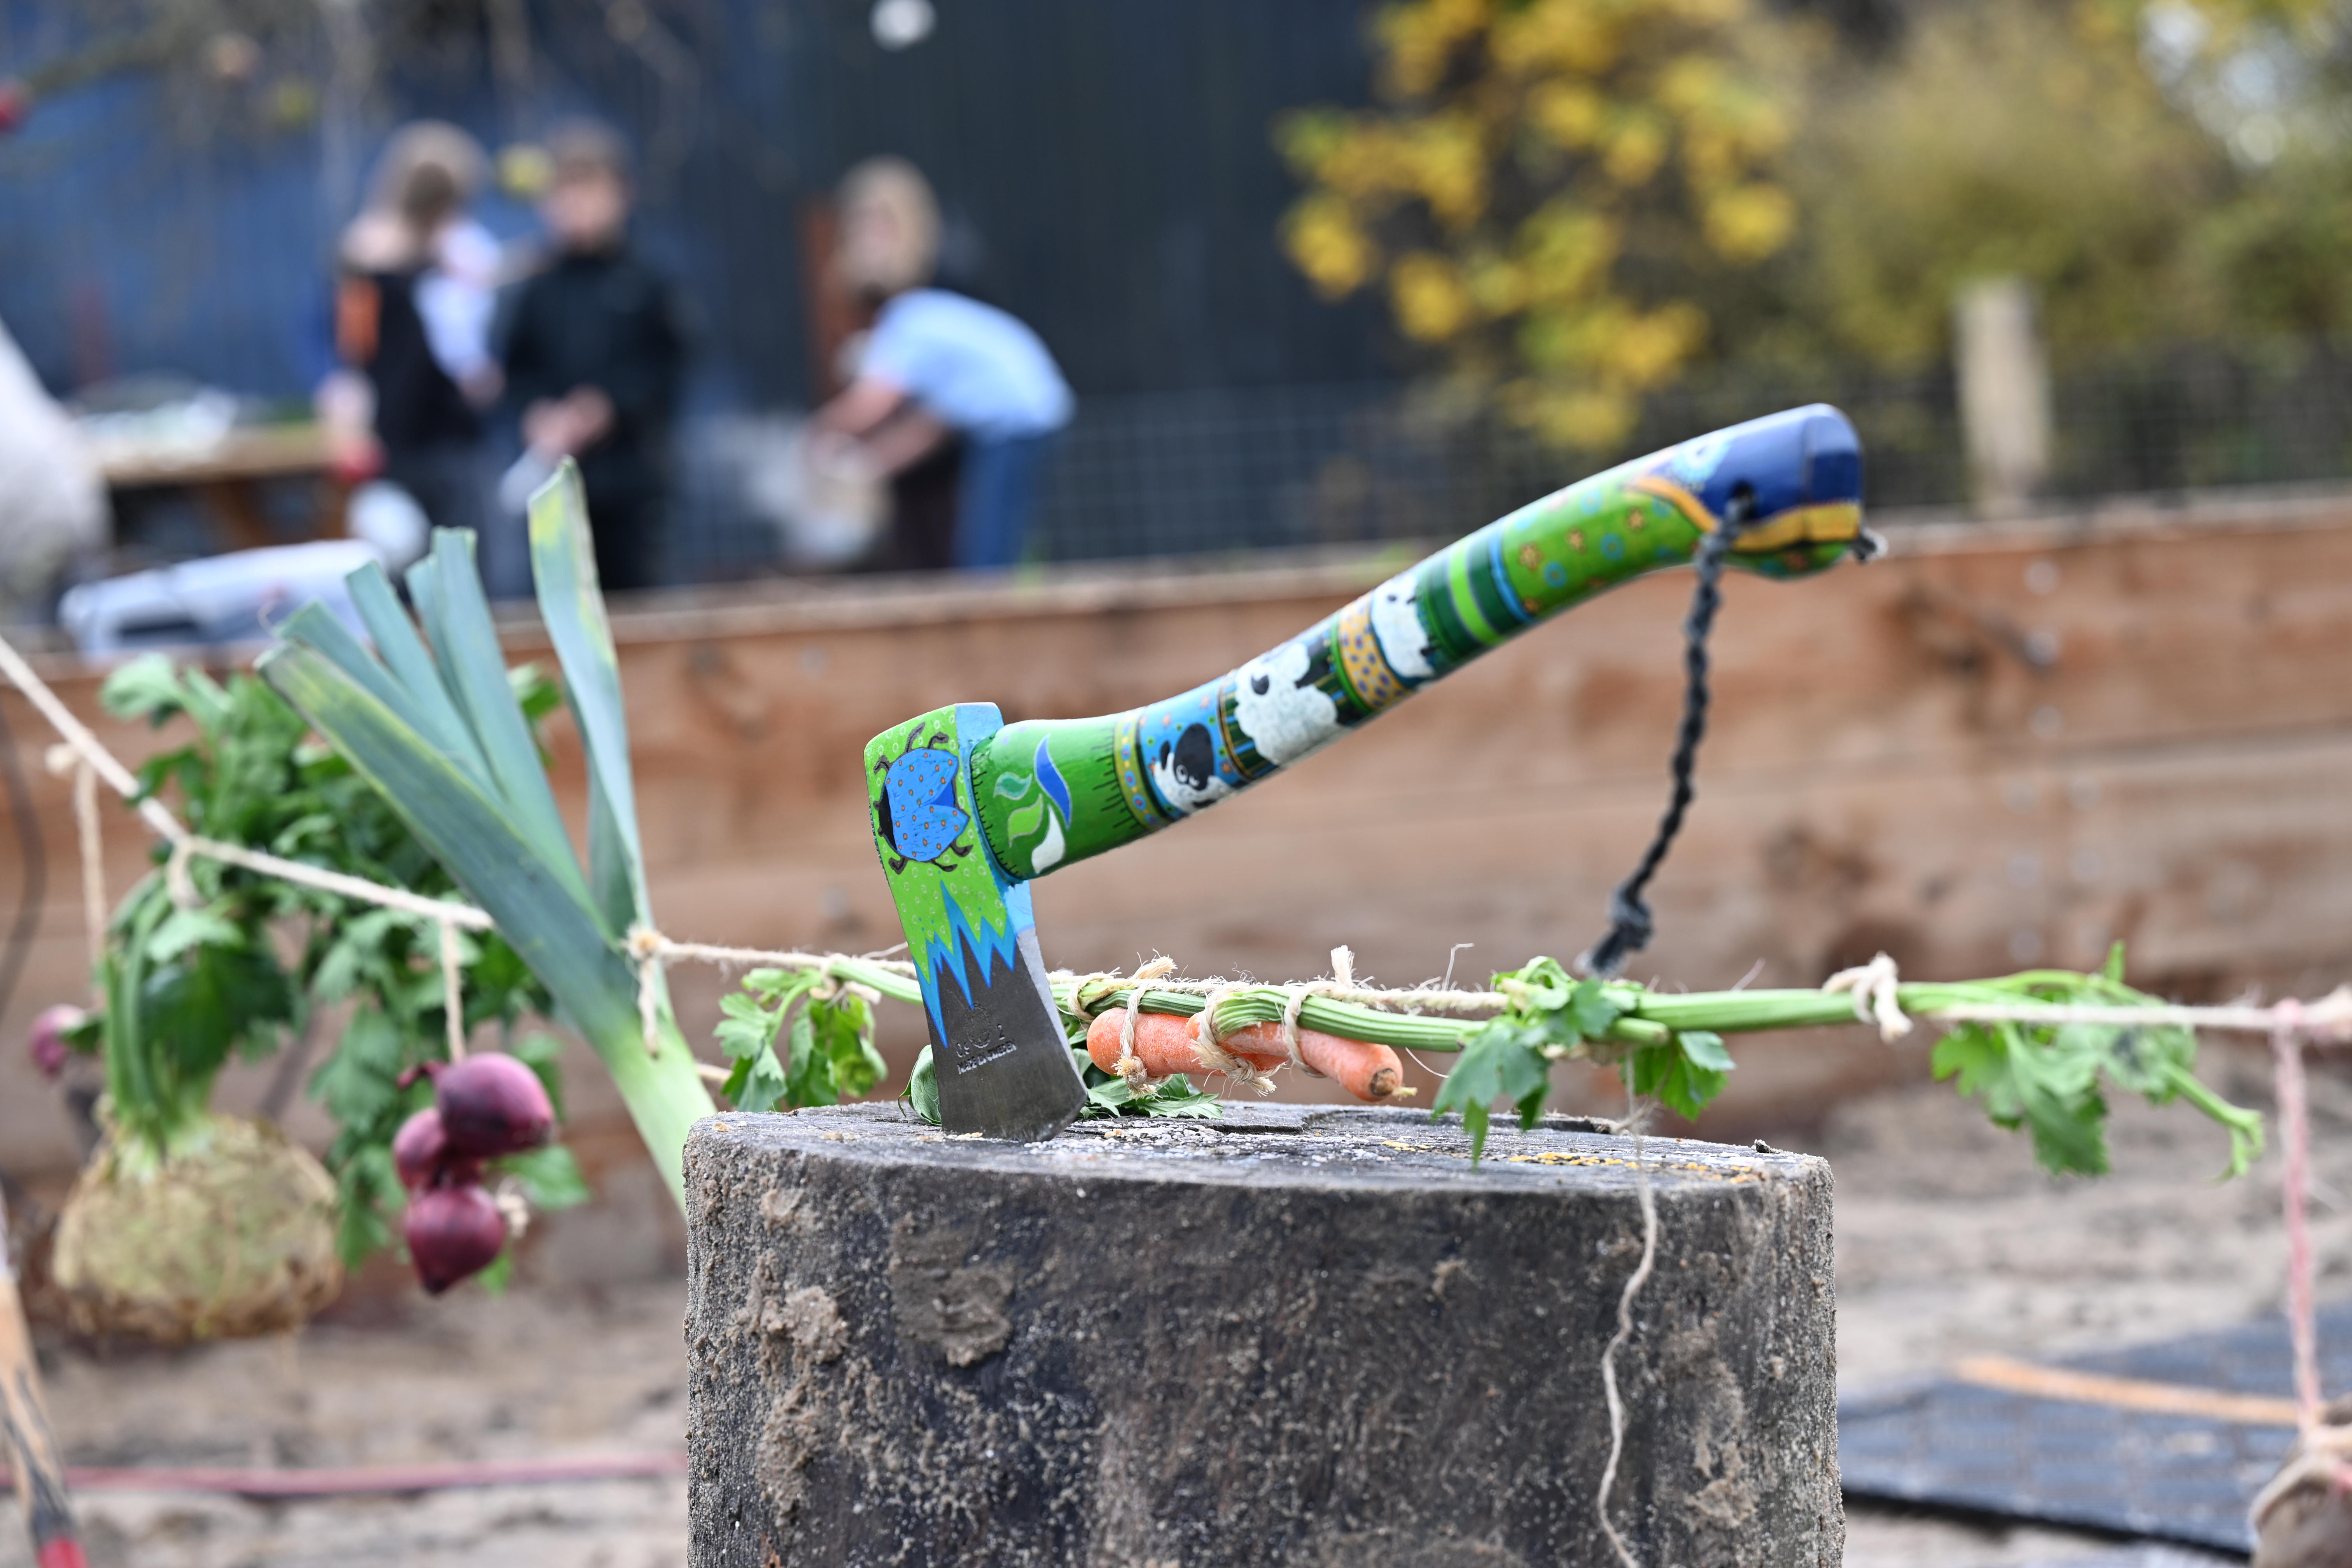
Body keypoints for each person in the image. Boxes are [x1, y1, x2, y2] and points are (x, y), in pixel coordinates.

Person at [813, 158, 1071, 572]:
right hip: (1022, 413)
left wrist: (819, 435)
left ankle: (987, 595)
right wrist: (868, 466)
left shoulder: (908, 318)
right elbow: (930, 428)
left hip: (1015, 418)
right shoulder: (923, 319)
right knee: (986, 535)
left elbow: (873, 402)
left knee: (991, 543)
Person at [494, 121, 687, 594]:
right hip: (554, 488)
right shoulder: (535, 288)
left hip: (632, 488)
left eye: (588, 190)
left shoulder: (647, 284)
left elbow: (666, 370)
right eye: (564, 192)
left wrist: (608, 407)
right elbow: (515, 372)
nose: (575, 205)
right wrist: (537, 413)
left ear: (621, 195)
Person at [322, 122, 501, 538]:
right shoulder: (366, 260)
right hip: (399, 434)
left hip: (446, 434)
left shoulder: (455, 255)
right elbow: (353, 347)